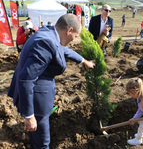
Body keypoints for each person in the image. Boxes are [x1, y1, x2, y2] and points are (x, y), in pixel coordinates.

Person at [8, 14, 95, 149]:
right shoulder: (46, 43)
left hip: (38, 99)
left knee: (37, 140)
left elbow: (63, 49)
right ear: (69, 30)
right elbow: (26, 79)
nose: (73, 40)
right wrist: (29, 115)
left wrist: (83, 61)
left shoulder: (50, 33)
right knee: (43, 144)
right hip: (36, 104)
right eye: (75, 36)